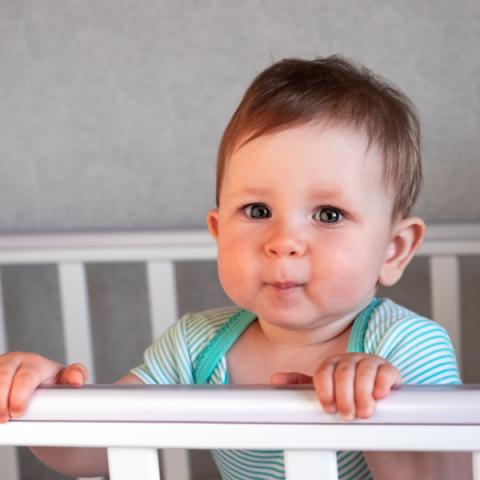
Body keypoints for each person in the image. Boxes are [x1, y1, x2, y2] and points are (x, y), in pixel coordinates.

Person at [0, 55, 471, 479]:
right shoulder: (197, 345)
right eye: (258, 211)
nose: (284, 242)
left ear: (393, 250)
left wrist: (379, 408)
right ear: (219, 230)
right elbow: (97, 453)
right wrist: (41, 400)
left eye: (329, 215)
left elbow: (445, 475)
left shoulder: (404, 346)